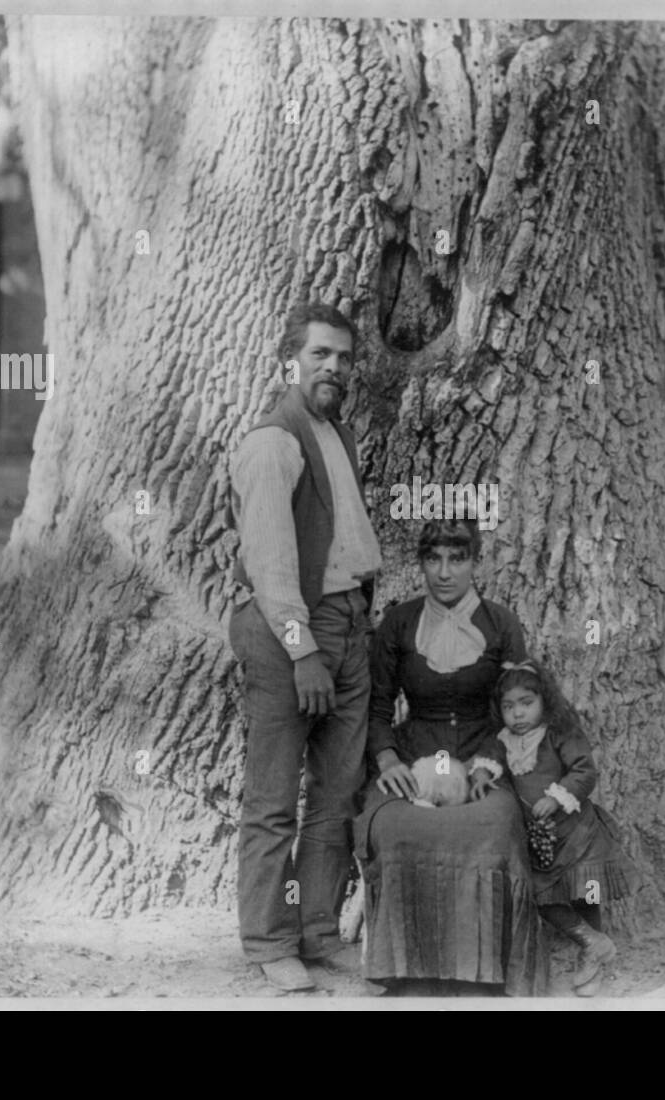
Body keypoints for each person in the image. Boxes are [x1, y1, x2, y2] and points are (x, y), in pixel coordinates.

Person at [228, 302, 381, 992]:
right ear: (291, 360)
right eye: (321, 354)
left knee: (336, 793)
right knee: (271, 797)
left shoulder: (336, 435)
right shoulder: (272, 442)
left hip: (348, 625)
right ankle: (267, 940)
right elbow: (268, 564)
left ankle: (317, 930)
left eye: (345, 358)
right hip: (294, 631)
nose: (335, 368)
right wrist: (302, 651)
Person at [354, 518, 548, 996]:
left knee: (494, 829)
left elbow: (516, 706)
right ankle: (400, 962)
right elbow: (376, 708)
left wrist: (485, 763)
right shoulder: (399, 622)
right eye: (433, 559)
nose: (444, 572)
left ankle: (484, 968)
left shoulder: (501, 622)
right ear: (421, 563)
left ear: (474, 563)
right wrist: (386, 760)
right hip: (412, 759)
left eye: (457, 559)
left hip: (483, 760)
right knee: (396, 828)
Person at [492, 658, 644, 996]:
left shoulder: (558, 732)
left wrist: (558, 796)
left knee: (586, 892)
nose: (518, 714)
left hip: (576, 833)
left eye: (527, 703)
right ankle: (594, 941)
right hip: (542, 841)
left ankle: (593, 959)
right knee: (540, 896)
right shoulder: (503, 742)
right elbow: (497, 774)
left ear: (544, 700)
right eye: (509, 706)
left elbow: (584, 771)